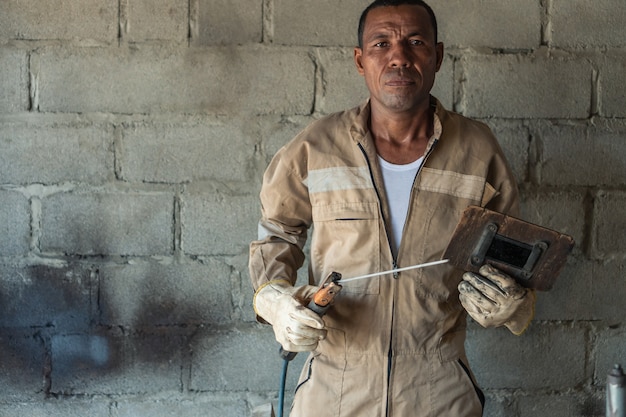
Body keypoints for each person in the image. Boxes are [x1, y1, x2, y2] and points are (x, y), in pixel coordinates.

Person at [249, 1, 535, 416]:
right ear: (360, 60)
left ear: (437, 56)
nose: (398, 56)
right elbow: (277, 233)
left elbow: (516, 257)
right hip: (333, 390)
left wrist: (516, 305)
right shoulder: (316, 146)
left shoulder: (478, 149)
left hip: (439, 392)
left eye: (414, 42)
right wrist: (272, 301)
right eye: (381, 43)